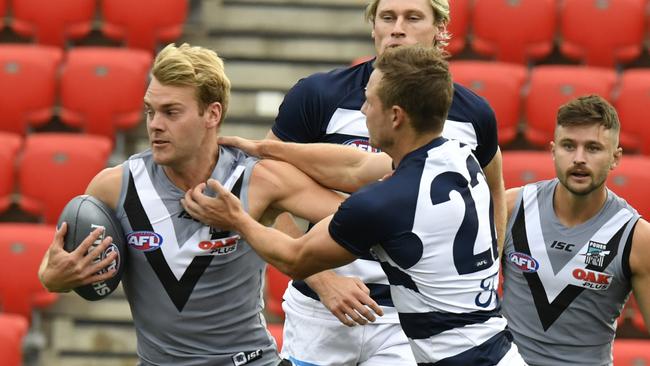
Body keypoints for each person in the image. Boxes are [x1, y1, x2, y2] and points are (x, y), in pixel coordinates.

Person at [183, 44, 525, 366]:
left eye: (369, 102)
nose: (362, 110)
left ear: (395, 116)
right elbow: (355, 165)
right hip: (496, 350)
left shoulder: (385, 203)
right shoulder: (456, 155)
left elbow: (295, 258)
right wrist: (268, 148)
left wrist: (238, 219)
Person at [37, 43, 349, 366]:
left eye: (171, 112)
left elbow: (356, 216)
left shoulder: (256, 179)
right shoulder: (114, 186)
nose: (155, 124)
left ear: (212, 114)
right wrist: (54, 277)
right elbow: (51, 264)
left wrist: (318, 266)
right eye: (150, 111)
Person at [265, 0, 506, 364]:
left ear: (439, 28)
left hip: (407, 316)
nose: (398, 28)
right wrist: (324, 281)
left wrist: (478, 282)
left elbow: (492, 197)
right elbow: (265, 185)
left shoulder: (474, 114)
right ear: (373, 26)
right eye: (387, 17)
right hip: (321, 309)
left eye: (412, 18)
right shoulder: (318, 95)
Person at [500, 95, 650, 365]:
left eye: (593, 148)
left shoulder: (636, 237)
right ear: (553, 150)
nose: (579, 159)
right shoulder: (511, 208)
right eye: (569, 146)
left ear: (615, 158)